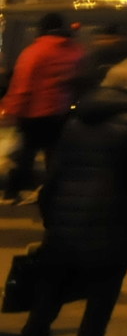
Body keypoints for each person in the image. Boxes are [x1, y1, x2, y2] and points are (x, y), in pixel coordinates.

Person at [8, 56, 127, 336]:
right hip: (114, 214)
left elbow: (55, 170)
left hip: (67, 213)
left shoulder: (77, 117)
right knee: (106, 283)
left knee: (53, 282)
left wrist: (52, 210)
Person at [2, 14, 82, 202]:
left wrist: (12, 110)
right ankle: (55, 190)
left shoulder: (34, 52)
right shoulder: (75, 51)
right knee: (54, 154)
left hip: (34, 112)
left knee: (26, 154)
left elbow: (23, 85)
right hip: (61, 111)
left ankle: (14, 191)